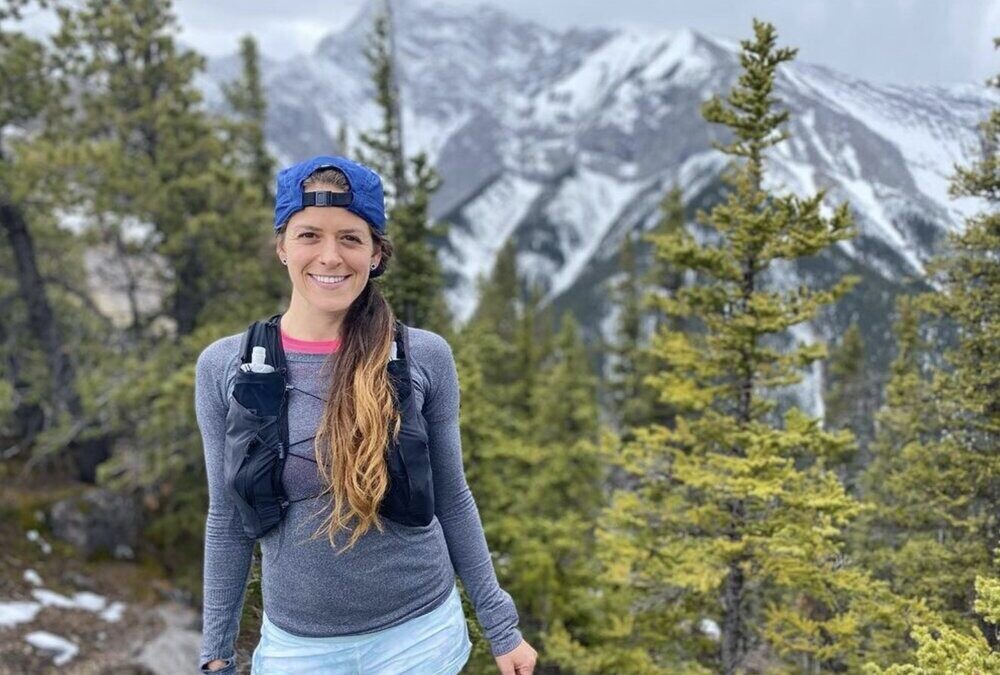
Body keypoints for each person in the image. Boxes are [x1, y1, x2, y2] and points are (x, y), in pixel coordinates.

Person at [196, 155, 537, 674]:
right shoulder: (227, 366)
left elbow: (452, 496)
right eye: (309, 235)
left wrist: (501, 627)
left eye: (350, 239)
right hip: (298, 650)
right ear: (282, 247)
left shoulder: (423, 356)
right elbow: (226, 520)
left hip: (421, 640)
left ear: (376, 254)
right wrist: (215, 654)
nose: (330, 256)